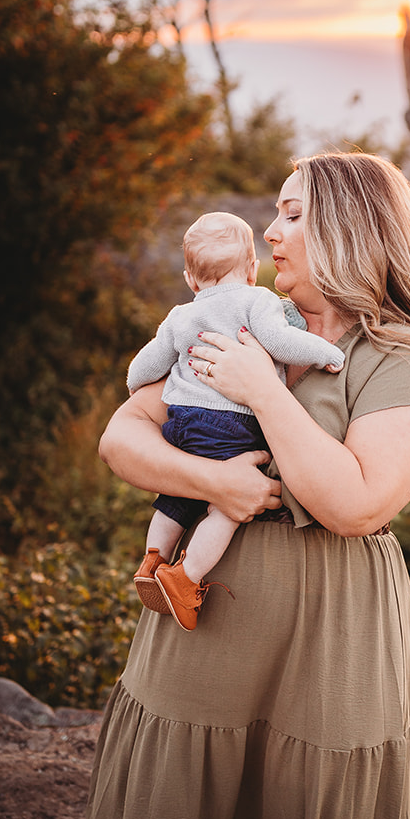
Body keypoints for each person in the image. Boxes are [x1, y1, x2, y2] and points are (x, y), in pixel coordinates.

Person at [43, 152, 410, 819]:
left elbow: (354, 503)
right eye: (272, 216)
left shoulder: (402, 358)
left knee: (308, 811)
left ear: (351, 228)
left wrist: (261, 391)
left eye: (291, 215)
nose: (270, 233)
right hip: (210, 611)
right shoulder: (230, 317)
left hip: (328, 631)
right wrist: (215, 482)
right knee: (175, 812)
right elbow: (122, 437)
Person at [126, 210, 345, 630]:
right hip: (233, 425)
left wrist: (135, 385)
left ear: (191, 279)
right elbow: (282, 342)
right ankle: (184, 579)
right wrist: (326, 353)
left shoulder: (180, 315)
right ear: (251, 269)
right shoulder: (256, 300)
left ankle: (152, 559)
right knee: (225, 508)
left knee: (180, 496)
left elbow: (145, 365)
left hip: (182, 423)